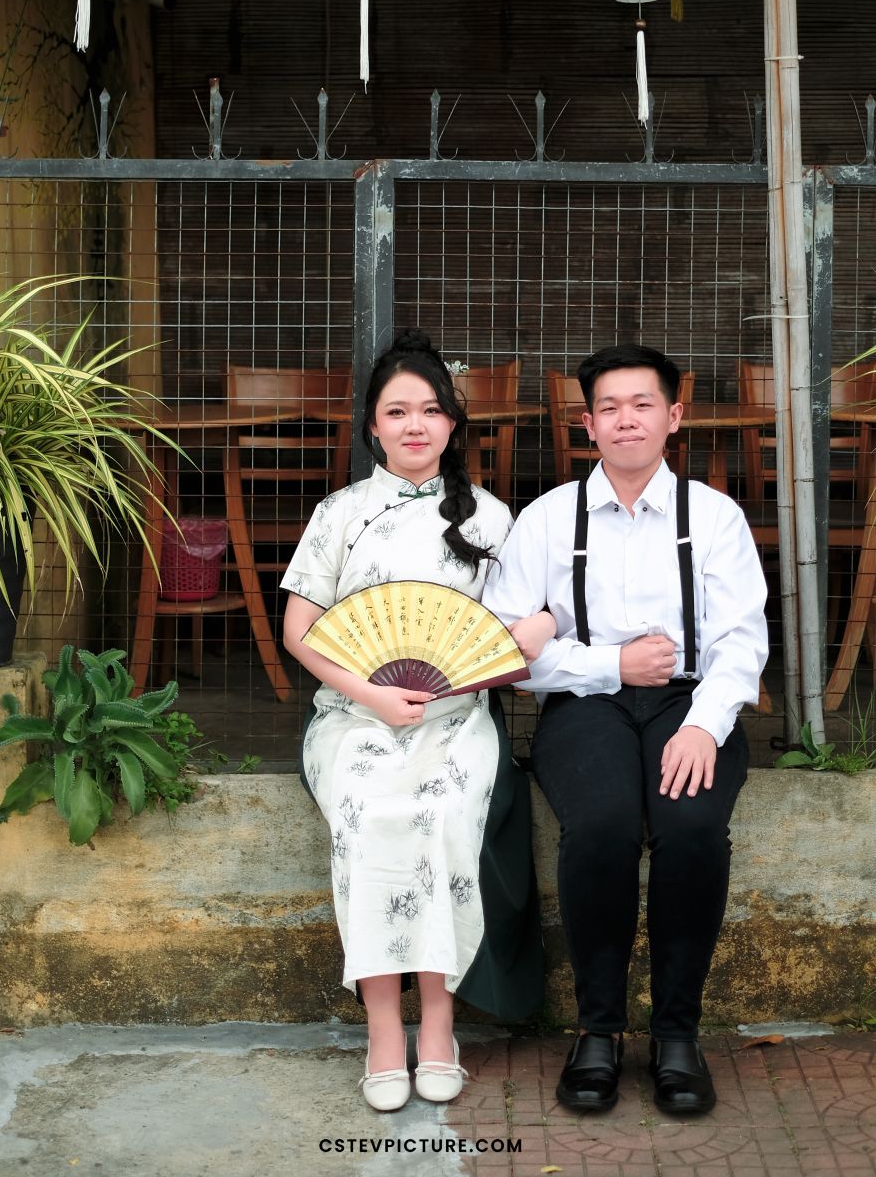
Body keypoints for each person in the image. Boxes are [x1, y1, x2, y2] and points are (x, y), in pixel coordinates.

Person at [483, 343, 767, 1117]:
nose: (625, 420)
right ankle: (598, 1032)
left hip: (690, 701)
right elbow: (507, 653)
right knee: (602, 826)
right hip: (586, 704)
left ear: (673, 417)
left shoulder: (714, 517)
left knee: (692, 827)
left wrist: (704, 726)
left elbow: (740, 643)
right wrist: (610, 664)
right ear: (587, 425)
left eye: (642, 404)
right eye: (607, 407)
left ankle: (676, 1035)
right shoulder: (546, 520)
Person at [282, 330, 543, 1113]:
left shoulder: (490, 518)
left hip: (456, 719)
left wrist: (528, 634)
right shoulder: (340, 513)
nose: (414, 426)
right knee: (367, 814)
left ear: (452, 424)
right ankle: (380, 1031)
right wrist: (369, 695)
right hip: (353, 716)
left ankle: (437, 1023)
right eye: (396, 412)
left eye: (430, 410)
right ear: (371, 426)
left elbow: (518, 628)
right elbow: (300, 632)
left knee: (441, 814)